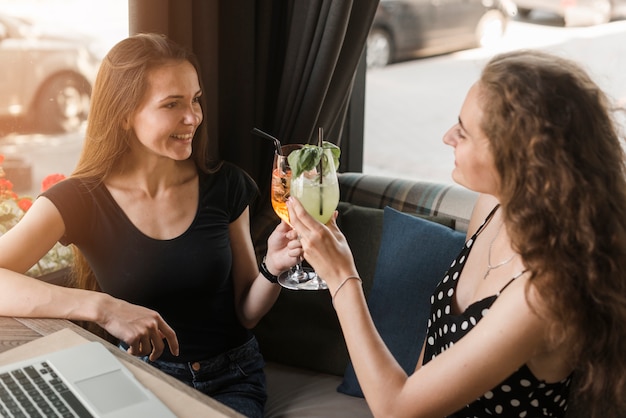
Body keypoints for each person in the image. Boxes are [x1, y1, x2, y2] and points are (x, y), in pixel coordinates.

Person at [285, 49, 626, 417]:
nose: (448, 136)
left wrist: (341, 276)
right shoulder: (493, 206)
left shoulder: (545, 291)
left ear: (519, 157)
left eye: (463, 132)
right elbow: (434, 355)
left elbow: (397, 408)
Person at [0, 33, 298, 417]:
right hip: (138, 375)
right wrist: (102, 308)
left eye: (195, 99)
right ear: (125, 114)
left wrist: (272, 268)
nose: (192, 117)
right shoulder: (80, 199)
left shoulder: (225, 185)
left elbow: (246, 313)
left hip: (231, 378)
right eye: (172, 104)